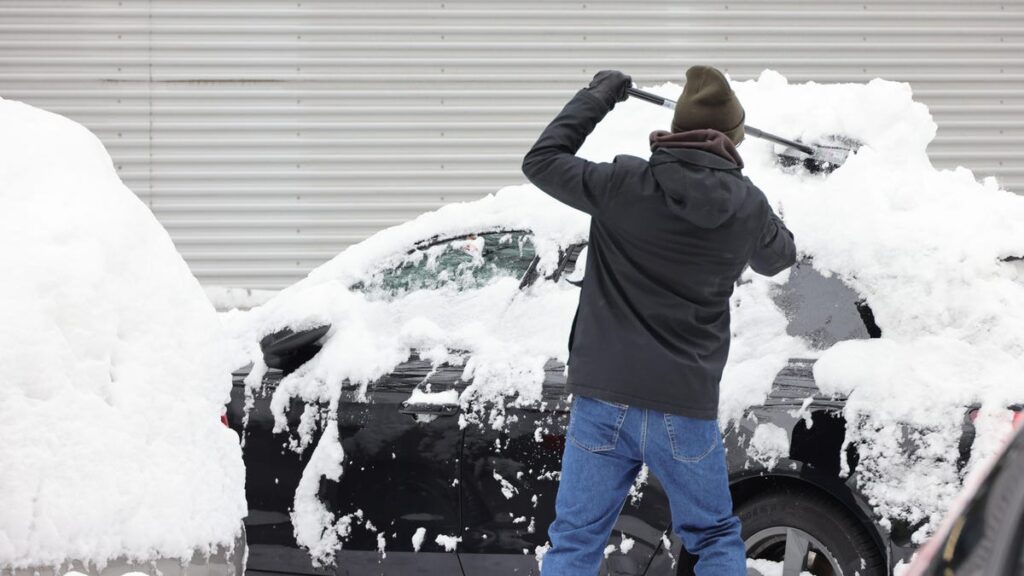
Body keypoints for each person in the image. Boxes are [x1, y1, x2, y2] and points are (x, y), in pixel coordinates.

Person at [521, 65, 796, 575]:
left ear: (676, 130)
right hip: (683, 408)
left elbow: (541, 161)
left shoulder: (621, 182)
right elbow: (779, 256)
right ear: (732, 139)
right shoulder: (747, 206)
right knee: (713, 537)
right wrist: (744, 190)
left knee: (575, 542)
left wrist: (597, 97)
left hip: (603, 397)